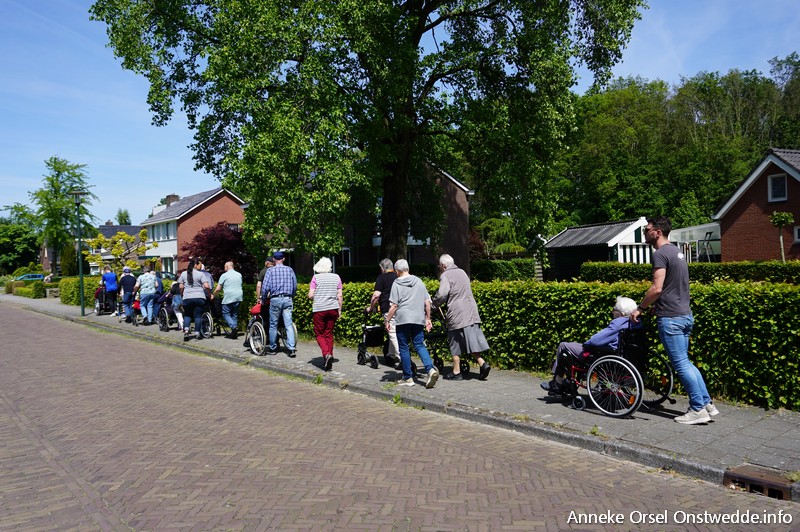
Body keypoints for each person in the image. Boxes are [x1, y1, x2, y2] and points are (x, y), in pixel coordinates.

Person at [630, 216, 717, 425]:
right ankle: (706, 404)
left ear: (657, 232)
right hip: (684, 314)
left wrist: (640, 308)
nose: (645, 233)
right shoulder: (677, 252)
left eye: (647, 229)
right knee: (686, 362)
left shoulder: (660, 254)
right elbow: (673, 287)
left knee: (681, 364)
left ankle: (697, 409)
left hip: (671, 318)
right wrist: (658, 306)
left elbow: (657, 288)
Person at [540, 296, 641, 394]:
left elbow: (595, 341)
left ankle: (557, 382)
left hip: (603, 354)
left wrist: (586, 344)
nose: (612, 311)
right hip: (624, 357)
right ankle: (567, 382)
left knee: (564, 346)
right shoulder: (636, 323)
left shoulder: (618, 324)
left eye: (615, 309)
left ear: (622, 314)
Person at [432, 254, 491, 381]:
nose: (439, 268)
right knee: (470, 340)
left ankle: (456, 371)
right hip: (471, 311)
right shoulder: (462, 272)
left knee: (455, 341)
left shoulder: (446, 275)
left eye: (439, 266)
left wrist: (433, 304)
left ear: (443, 265)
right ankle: (482, 363)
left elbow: (442, 295)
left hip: (457, 313)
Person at [384, 259, 439, 388]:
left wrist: (387, 320)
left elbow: (394, 305)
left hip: (403, 319)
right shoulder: (419, 281)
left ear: (397, 271)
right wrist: (428, 318)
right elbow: (427, 303)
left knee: (404, 347)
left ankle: (408, 377)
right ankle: (430, 369)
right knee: (419, 344)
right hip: (418, 318)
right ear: (408, 268)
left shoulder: (396, 283)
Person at [308, 257, 343, 371]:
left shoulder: (316, 278)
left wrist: (315, 295)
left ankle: (326, 354)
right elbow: (340, 295)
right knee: (329, 333)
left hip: (320, 309)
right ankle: (329, 359)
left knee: (319, 333)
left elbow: (310, 295)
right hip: (333, 308)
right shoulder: (336, 277)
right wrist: (339, 309)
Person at [260, 251, 297, 357]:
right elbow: (294, 285)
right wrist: (291, 296)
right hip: (287, 298)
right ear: (283, 259)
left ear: (273, 260)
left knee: (273, 325)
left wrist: (263, 299)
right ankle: (291, 349)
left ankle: (273, 348)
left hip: (275, 299)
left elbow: (265, 287)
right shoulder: (290, 270)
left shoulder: (270, 271)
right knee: (288, 324)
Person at [366, 258, 400, 365]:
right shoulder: (398, 276)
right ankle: (391, 354)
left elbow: (376, 296)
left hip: (388, 308)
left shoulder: (382, 278)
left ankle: (401, 358)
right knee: (396, 332)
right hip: (401, 308)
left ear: (382, 268)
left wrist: (371, 308)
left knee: (392, 333)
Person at [179, 258, 211, 341]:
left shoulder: (183, 274)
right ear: (195, 265)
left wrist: (182, 294)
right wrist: (209, 294)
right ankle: (197, 333)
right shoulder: (201, 274)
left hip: (187, 297)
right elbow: (206, 286)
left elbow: (181, 287)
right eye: (199, 264)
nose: (200, 266)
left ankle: (186, 331)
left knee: (187, 315)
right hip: (199, 297)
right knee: (198, 316)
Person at [214, 261, 244, 339]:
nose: (224, 268)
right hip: (238, 296)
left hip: (229, 297)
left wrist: (213, 295)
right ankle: (234, 333)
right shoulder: (239, 274)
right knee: (234, 314)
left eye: (224, 266)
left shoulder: (224, 275)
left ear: (227, 267)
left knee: (225, 313)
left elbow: (218, 288)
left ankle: (233, 327)